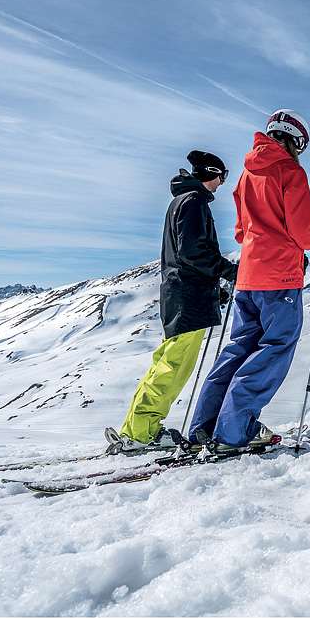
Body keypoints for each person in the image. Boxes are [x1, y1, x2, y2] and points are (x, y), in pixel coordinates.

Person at [187, 109, 310, 452]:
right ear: (295, 139)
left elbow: (241, 231)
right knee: (275, 347)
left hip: (248, 276)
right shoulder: (290, 172)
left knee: (238, 349)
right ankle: (234, 432)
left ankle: (203, 428)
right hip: (280, 278)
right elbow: (302, 233)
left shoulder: (247, 173)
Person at [108, 151, 238, 452]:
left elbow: (186, 255)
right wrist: (231, 272)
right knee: (174, 366)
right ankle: (142, 433)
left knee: (167, 363)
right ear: (211, 173)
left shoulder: (184, 200)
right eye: (223, 175)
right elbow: (194, 253)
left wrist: (213, 286)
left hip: (184, 293)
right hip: (188, 297)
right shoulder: (193, 202)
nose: (222, 182)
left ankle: (137, 428)